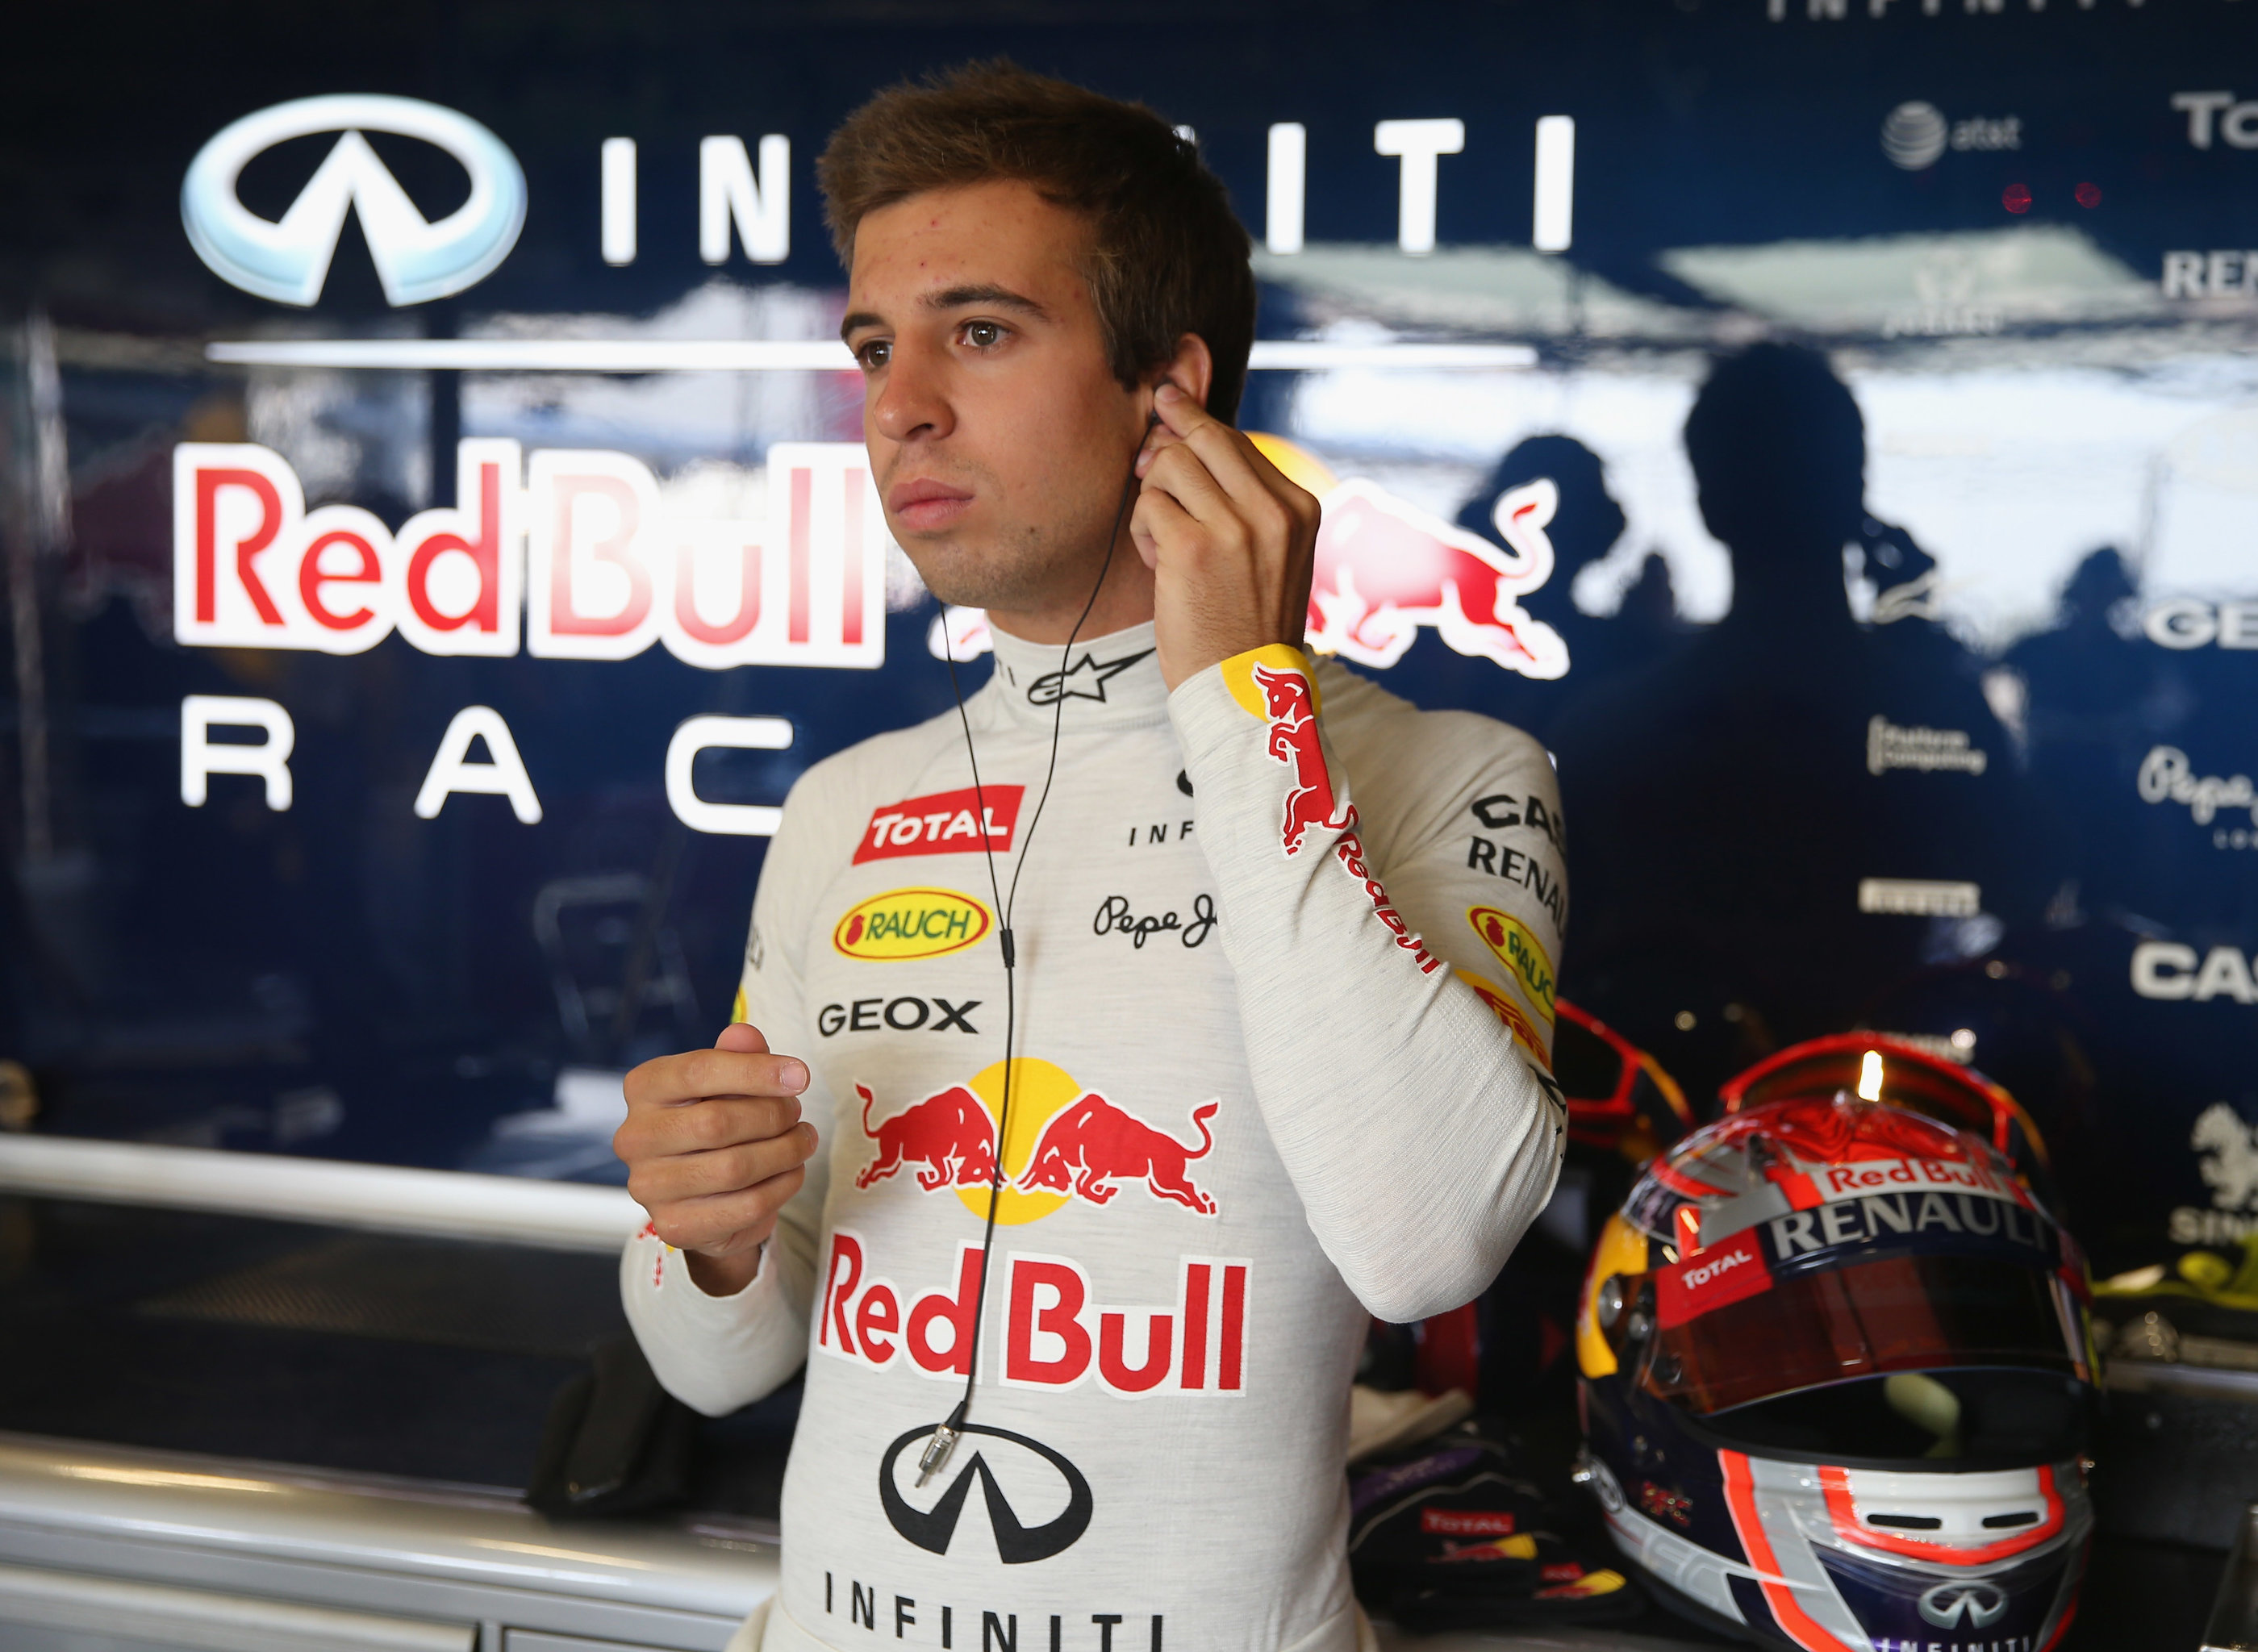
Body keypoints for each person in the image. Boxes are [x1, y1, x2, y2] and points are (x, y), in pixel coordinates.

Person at [611, 64, 1567, 1652]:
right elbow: (719, 1365)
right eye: (874, 346)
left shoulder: (1449, 772)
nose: (898, 405)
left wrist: (1242, 699)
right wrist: (708, 1238)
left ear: (1166, 387)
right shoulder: (847, 802)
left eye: (979, 332)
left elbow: (1423, 1247)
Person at [1551, 342, 2048, 1101]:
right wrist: (1926, 643)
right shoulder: (1928, 710)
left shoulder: (1603, 731)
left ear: (1709, 507)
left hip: (1668, 1125)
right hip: (1870, 1121)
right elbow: (2026, 878)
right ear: (1855, 493)